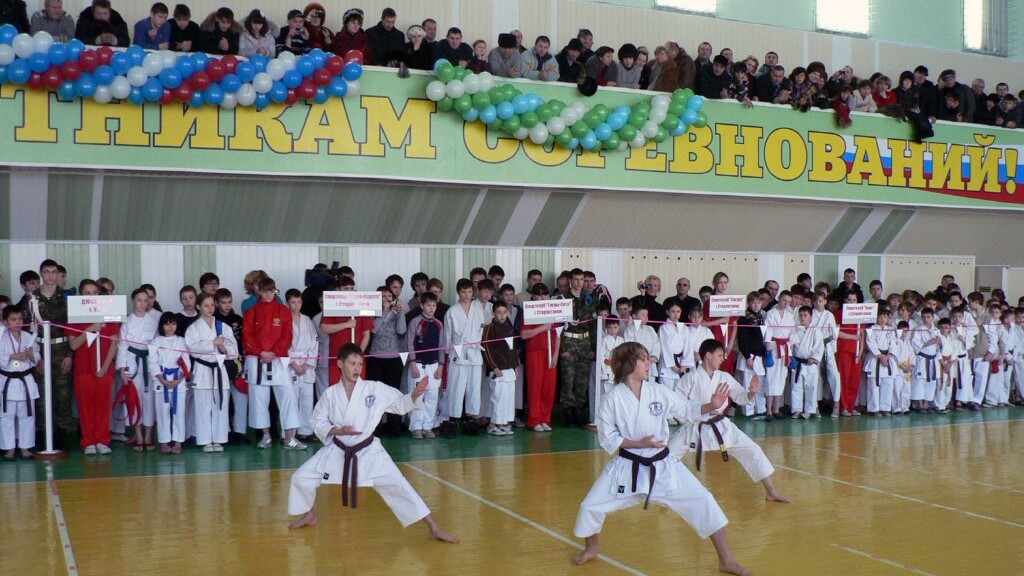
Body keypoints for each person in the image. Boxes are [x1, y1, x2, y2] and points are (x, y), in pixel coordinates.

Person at [572, 341, 752, 575]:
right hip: (628, 464)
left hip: (663, 464)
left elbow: (686, 409)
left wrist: (711, 405)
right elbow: (608, 438)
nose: (649, 363)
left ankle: (726, 560)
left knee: (704, 501)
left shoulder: (657, 391)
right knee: (590, 505)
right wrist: (640, 444)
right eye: (643, 359)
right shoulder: (612, 399)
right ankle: (592, 548)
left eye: (648, 358)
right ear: (629, 364)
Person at [287, 344, 459, 544]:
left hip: (369, 451)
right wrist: (337, 431)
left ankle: (434, 528)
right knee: (301, 477)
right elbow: (317, 421)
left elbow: (400, 403)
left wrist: (415, 395)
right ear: (340, 364)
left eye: (360, 364)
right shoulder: (331, 394)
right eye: (352, 363)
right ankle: (309, 514)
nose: (357, 368)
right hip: (338, 449)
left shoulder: (374, 389)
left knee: (400, 486)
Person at [673, 339, 790, 502]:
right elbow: (677, 405)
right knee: (667, 457)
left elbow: (740, 396)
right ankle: (657, 490)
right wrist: (706, 407)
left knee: (753, 451)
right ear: (708, 355)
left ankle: (771, 491)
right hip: (696, 426)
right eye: (720, 355)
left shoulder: (724, 377)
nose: (723, 359)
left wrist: (751, 393)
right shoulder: (690, 378)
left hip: (721, 425)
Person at [244, 277, 305, 450]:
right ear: (259, 292)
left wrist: (274, 353)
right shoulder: (252, 312)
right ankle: (266, 435)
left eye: (271, 291)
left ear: (275, 291)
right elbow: (247, 336)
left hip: (278, 360)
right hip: (258, 360)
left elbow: (287, 335)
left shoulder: (283, 311)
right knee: (259, 399)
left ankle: (290, 438)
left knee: (288, 397)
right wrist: (260, 352)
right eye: (265, 291)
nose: (268, 294)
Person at [68, 279, 119, 455]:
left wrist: (105, 367)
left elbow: (114, 342)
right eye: (87, 293)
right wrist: (90, 328)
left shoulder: (110, 314)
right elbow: (74, 345)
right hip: (83, 367)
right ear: (81, 295)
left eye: (94, 293)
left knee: (103, 406)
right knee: (86, 407)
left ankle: (102, 440)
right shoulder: (75, 316)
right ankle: (88, 441)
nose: (91, 296)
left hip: (104, 368)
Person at [117, 288, 160, 451]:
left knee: (149, 401)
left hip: (149, 362)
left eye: (145, 300)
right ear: (133, 301)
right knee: (134, 400)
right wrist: (122, 369)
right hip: (132, 362)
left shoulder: (153, 321)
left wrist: (157, 367)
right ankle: (139, 436)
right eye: (139, 300)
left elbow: (156, 345)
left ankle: (148, 436)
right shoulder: (127, 322)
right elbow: (122, 345)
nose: (142, 304)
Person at [443, 278, 485, 431]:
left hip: (474, 352)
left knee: (474, 388)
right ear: (458, 292)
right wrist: (449, 352)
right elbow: (447, 335)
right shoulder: (452, 311)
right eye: (463, 292)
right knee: (456, 387)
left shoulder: (478, 309)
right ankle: (453, 419)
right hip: (458, 353)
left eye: (469, 292)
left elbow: (481, 330)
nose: (467, 295)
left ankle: (472, 418)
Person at [367, 285, 407, 438]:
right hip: (375, 357)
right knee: (375, 394)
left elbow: (401, 330)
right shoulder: (372, 313)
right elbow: (374, 330)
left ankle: (394, 428)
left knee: (393, 394)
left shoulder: (397, 312)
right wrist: (384, 311)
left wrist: (400, 311)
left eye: (389, 296)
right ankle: (375, 427)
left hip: (393, 358)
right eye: (383, 296)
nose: (386, 299)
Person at [0, 306, 38, 460]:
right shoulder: (1, 337)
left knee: (27, 416)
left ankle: (25, 447)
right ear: (5, 321)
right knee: (6, 417)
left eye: (20, 319)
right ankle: (9, 448)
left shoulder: (28, 337)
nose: (18, 322)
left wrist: (31, 355)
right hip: (6, 382)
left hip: (25, 382)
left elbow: (37, 357)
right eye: (13, 319)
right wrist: (13, 356)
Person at [406, 292, 444, 439]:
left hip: (434, 365)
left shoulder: (438, 324)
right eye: (428, 305)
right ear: (422, 305)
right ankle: (416, 427)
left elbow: (442, 346)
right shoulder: (415, 322)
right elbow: (410, 343)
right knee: (417, 396)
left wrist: (440, 366)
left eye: (434, 305)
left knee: (432, 397)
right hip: (418, 364)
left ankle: (428, 426)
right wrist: (413, 363)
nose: (431, 308)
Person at [150, 312, 188, 454]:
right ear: (162, 326)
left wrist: (178, 380)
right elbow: (152, 362)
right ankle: (165, 441)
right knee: (162, 412)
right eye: (167, 324)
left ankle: (178, 441)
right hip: (162, 380)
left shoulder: (182, 341)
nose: (170, 327)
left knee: (179, 412)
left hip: (178, 380)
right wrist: (162, 380)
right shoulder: (156, 341)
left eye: (173, 324)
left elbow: (186, 363)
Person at [522, 283, 558, 432]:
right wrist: (543, 327)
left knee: (548, 388)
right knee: (535, 387)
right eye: (538, 294)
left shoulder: (553, 310)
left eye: (545, 294)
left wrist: (556, 354)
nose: (542, 297)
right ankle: (534, 419)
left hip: (550, 352)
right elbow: (524, 334)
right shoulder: (528, 312)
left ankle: (545, 418)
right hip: (535, 352)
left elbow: (558, 334)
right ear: (533, 296)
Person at [213, 288, 248, 443]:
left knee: (241, 397)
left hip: (238, 361)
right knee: (223, 398)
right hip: (221, 362)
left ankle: (240, 432)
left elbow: (244, 340)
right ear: (216, 303)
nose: (227, 305)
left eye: (229, 302)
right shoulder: (213, 321)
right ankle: (225, 432)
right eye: (223, 302)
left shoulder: (238, 319)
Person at [286, 289, 318, 442]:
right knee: (290, 399)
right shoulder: (284, 320)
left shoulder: (307, 320)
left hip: (306, 364)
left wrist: (306, 364)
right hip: (290, 364)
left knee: (307, 399)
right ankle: (288, 433)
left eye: (299, 302)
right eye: (293, 302)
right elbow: (282, 345)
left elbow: (314, 342)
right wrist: (293, 364)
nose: (296, 305)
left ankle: (305, 430)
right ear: (287, 303)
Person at [481, 301, 517, 436]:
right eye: (499, 313)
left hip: (509, 368)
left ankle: (503, 423)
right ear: (493, 313)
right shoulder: (490, 328)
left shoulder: (508, 327)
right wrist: (494, 367)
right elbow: (486, 349)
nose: (502, 315)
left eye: (504, 312)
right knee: (498, 397)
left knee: (508, 398)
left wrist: (515, 365)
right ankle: (493, 424)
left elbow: (513, 348)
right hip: (498, 370)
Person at [736, 291, 767, 419]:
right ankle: (748, 411)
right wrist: (748, 357)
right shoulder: (744, 318)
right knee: (748, 385)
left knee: (760, 385)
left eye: (758, 302)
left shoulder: (761, 318)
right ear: (748, 303)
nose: (756, 305)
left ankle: (761, 410)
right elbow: (742, 340)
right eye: (753, 302)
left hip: (759, 356)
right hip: (748, 356)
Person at [789, 306, 823, 418]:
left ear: (810, 317)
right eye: (801, 315)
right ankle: (796, 410)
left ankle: (810, 410)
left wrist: (813, 358)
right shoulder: (795, 329)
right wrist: (791, 355)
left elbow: (819, 347)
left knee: (811, 387)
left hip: (810, 363)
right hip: (798, 362)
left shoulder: (815, 331)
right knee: (796, 387)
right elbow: (792, 345)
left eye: (805, 315)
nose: (802, 318)